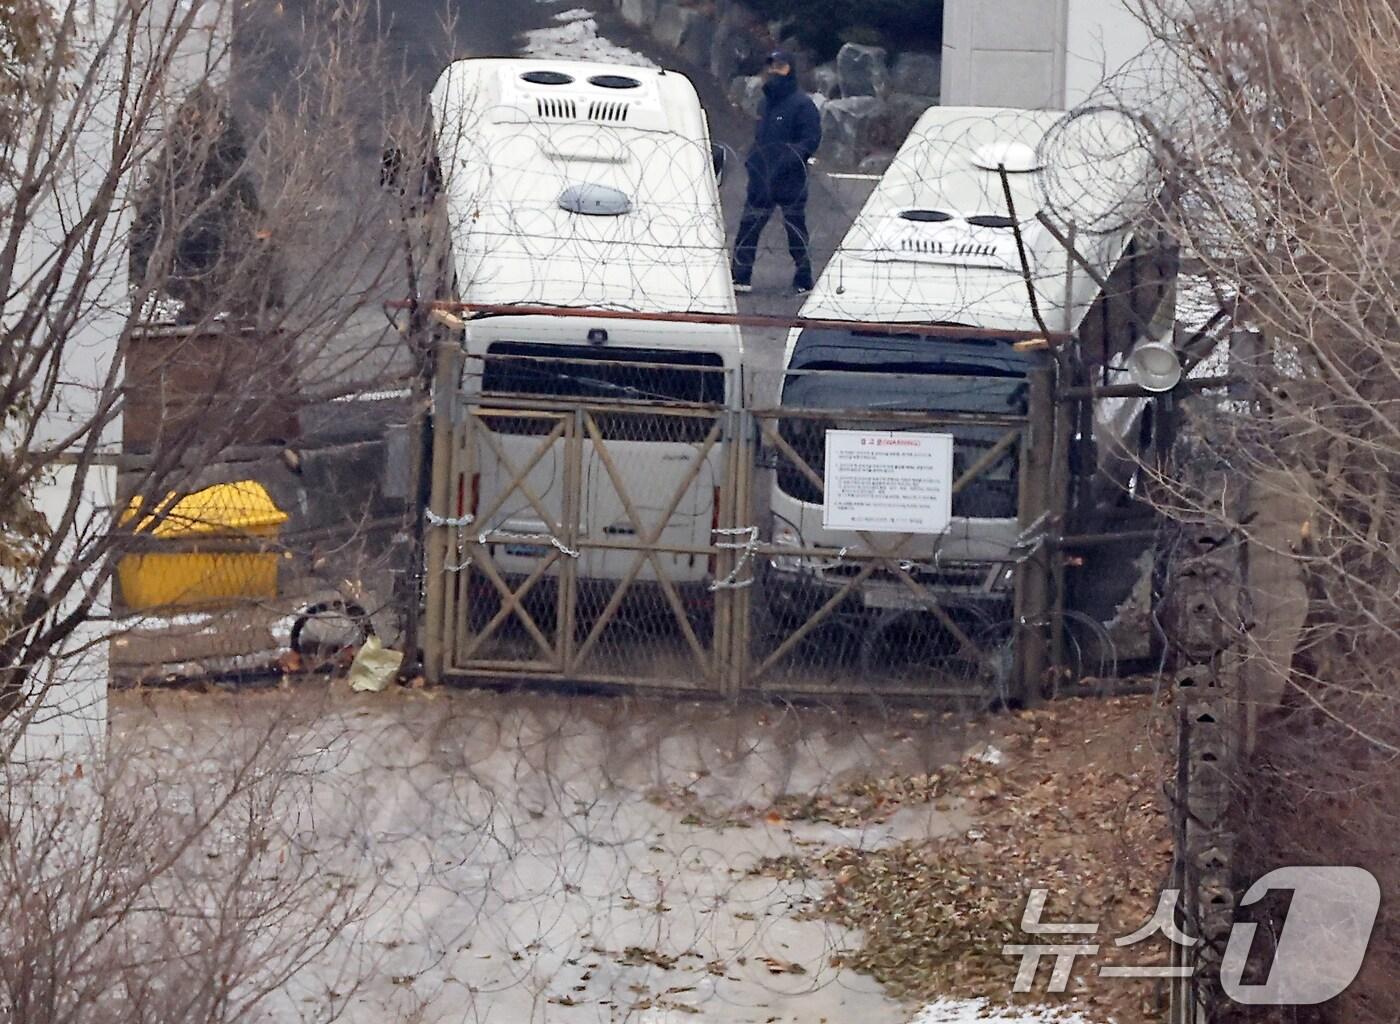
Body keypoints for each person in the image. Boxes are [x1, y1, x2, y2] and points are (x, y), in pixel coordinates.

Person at [732, 50, 822, 295]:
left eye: (781, 66)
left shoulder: (802, 105)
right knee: (748, 226)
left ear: (791, 69)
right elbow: (761, 137)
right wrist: (753, 160)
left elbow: (810, 140)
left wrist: (787, 161)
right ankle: (740, 277)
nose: (774, 71)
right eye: (771, 66)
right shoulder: (766, 102)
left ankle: (804, 279)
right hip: (762, 177)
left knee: (795, 230)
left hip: (790, 179)